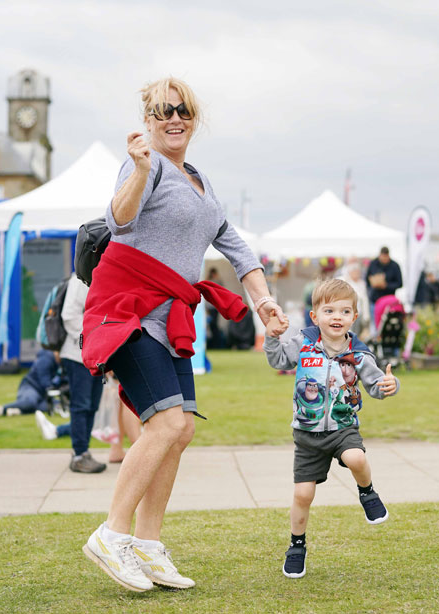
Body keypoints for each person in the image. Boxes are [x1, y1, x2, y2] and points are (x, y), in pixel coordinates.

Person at [80, 76, 287, 592]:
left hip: (169, 315)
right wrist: (143, 167)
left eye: (183, 111)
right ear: (148, 119)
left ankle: (148, 547)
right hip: (128, 308)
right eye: (163, 111)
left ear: (194, 119)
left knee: (182, 430)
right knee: (167, 424)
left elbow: (237, 248)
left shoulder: (198, 178)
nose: (174, 118)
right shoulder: (141, 164)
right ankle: (111, 534)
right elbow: (119, 221)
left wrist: (263, 302)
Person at [263, 279, 399, 579]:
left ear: (354, 316)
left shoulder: (360, 354)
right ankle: (297, 545)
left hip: (343, 427)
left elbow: (376, 386)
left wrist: (389, 384)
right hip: (308, 434)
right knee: (303, 495)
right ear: (315, 317)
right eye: (329, 310)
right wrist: (272, 337)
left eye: (344, 311)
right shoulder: (303, 343)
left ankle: (367, 493)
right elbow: (277, 359)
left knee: (357, 459)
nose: (336, 317)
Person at [61, 274, 107, 475]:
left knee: (91, 406)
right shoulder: (80, 279)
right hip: (77, 354)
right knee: (81, 405)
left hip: (95, 354)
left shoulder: (102, 275)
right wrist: (94, 335)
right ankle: (79, 454)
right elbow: (69, 316)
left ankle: (83, 452)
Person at [0, 349, 62, 418]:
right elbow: (45, 381)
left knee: (52, 405)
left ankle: (18, 410)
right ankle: (1, 409)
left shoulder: (59, 363)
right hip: (30, 387)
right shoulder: (46, 359)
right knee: (30, 403)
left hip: (43, 394)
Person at [365, 247, 402, 324]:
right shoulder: (373, 264)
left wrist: (386, 286)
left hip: (389, 301)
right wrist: (373, 285)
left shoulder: (395, 266)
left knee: (388, 324)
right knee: (375, 324)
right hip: (375, 299)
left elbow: (399, 283)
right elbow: (367, 279)